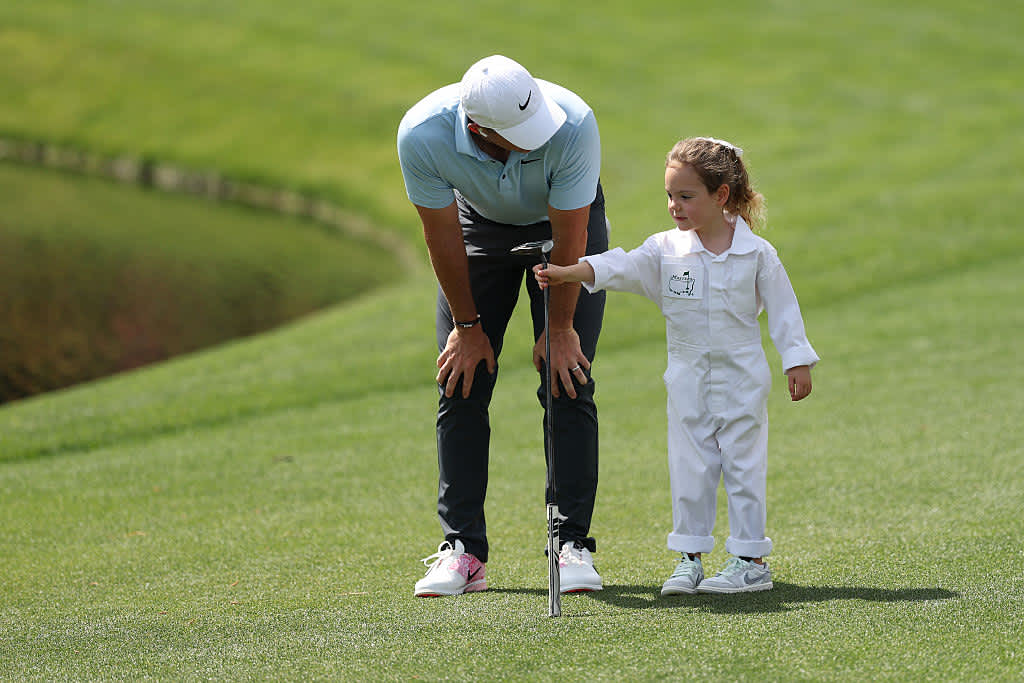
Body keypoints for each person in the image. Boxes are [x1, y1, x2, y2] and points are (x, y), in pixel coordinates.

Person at [534, 137, 819, 595]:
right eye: (669, 195)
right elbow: (620, 265)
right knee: (690, 468)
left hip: (743, 380)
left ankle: (750, 561)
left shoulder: (757, 254)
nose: (674, 206)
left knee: (743, 467)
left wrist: (797, 361)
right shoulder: (664, 250)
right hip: (687, 381)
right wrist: (569, 271)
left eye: (686, 196)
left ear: (721, 195)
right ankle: (690, 560)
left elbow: (785, 310)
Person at [397, 55, 608, 597]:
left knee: (567, 376)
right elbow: (441, 236)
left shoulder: (573, 123)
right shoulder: (423, 134)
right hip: (477, 228)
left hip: (562, 226)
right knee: (460, 379)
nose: (537, 137)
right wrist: (467, 327)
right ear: (478, 132)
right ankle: (463, 550)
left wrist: (559, 328)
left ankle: (570, 543)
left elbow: (571, 235)